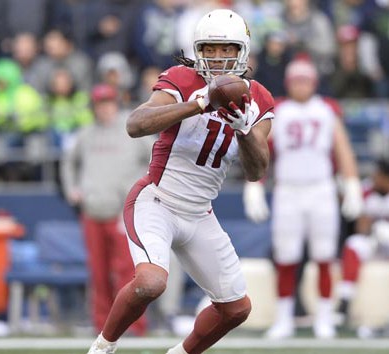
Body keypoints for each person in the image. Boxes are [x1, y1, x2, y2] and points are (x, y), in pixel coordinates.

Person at [86, 9, 274, 354]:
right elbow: (136, 124)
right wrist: (198, 104)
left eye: (227, 49)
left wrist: (244, 131)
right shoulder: (182, 79)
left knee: (236, 308)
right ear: (198, 50)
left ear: (242, 51)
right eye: (210, 49)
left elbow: (256, 171)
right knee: (150, 282)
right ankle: (102, 347)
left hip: (200, 212)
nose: (218, 58)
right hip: (157, 199)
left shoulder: (258, 98)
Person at [243, 58, 363, 339]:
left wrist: (352, 182)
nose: (300, 86)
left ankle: (324, 317)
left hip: (321, 189)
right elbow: (262, 150)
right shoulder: (279, 110)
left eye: (305, 80)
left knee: (324, 256)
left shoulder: (326, 110)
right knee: (286, 257)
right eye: (296, 80)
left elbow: (342, 147)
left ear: (314, 82)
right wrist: (256, 184)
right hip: (288, 190)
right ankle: (284, 317)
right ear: (288, 82)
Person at [61, 83, 154, 337]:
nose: (105, 109)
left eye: (109, 103)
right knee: (99, 274)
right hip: (92, 211)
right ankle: (102, 326)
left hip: (124, 212)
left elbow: (157, 156)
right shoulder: (85, 133)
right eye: (100, 104)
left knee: (128, 273)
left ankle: (133, 327)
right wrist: (72, 188)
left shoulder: (132, 127)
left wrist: (144, 192)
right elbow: (68, 161)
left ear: (117, 103)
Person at [337, 159, 389, 338]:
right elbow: (361, 226)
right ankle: (344, 300)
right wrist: (372, 226)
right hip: (373, 241)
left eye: (379, 175)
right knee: (354, 244)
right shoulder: (366, 189)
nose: (375, 178)